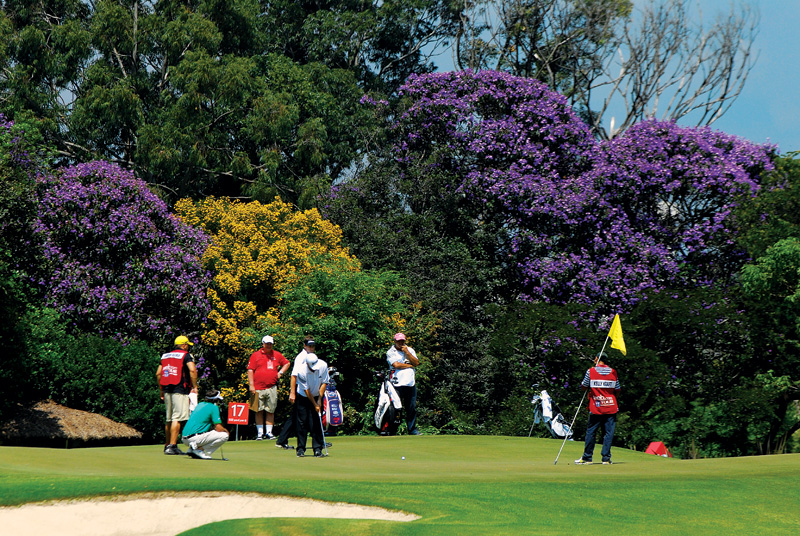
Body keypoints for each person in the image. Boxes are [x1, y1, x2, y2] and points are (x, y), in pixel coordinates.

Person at [575, 353, 621, 465]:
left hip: (596, 406)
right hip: (610, 406)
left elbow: (583, 386)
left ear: (596, 359)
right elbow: (618, 389)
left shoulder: (591, 371)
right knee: (608, 433)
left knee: (591, 432)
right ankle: (606, 459)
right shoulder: (613, 372)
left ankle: (587, 458)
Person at [157, 335, 199, 455]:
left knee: (169, 418)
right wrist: (195, 386)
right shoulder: (186, 355)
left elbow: (158, 373)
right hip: (180, 389)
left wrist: (161, 389)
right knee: (177, 418)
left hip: (166, 389)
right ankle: (173, 445)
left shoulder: (165, 355)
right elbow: (192, 370)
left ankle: (167, 445)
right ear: (184, 345)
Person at [275, 335, 315, 450]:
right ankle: (282, 440)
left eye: (313, 346)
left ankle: (282, 440)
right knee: (298, 416)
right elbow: (294, 375)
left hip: (308, 390)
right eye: (309, 346)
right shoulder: (301, 357)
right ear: (304, 346)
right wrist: (292, 392)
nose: (311, 348)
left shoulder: (311, 356)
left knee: (296, 416)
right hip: (300, 390)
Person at [247, 335, 290, 440]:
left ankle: (269, 432)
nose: (269, 345)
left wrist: (280, 373)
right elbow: (250, 370)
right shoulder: (255, 355)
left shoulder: (276, 355)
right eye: (267, 343)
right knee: (258, 410)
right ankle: (260, 433)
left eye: (270, 343)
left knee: (271, 410)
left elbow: (287, 363)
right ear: (263, 344)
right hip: (257, 387)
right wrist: (251, 385)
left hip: (271, 387)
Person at [294, 352, 329, 457]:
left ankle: (317, 449)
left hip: (317, 394)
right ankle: (300, 449)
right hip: (303, 397)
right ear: (307, 364)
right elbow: (307, 391)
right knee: (302, 423)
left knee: (316, 422)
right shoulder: (301, 371)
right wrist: (315, 404)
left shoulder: (323, 365)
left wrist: (319, 399)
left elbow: (324, 382)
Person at [386, 333, 421, 435]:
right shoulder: (390, 352)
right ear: (395, 341)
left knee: (411, 408)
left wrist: (407, 353)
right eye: (399, 341)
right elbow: (396, 365)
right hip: (396, 383)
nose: (401, 343)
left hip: (410, 383)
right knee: (395, 408)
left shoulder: (410, 350)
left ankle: (412, 429)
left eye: (402, 341)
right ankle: (392, 430)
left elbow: (417, 363)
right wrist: (410, 365)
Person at [181, 388, 229, 459]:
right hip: (194, 438)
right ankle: (199, 450)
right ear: (215, 400)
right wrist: (226, 430)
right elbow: (218, 428)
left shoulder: (200, 404)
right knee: (224, 435)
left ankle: (192, 449)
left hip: (184, 438)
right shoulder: (214, 407)